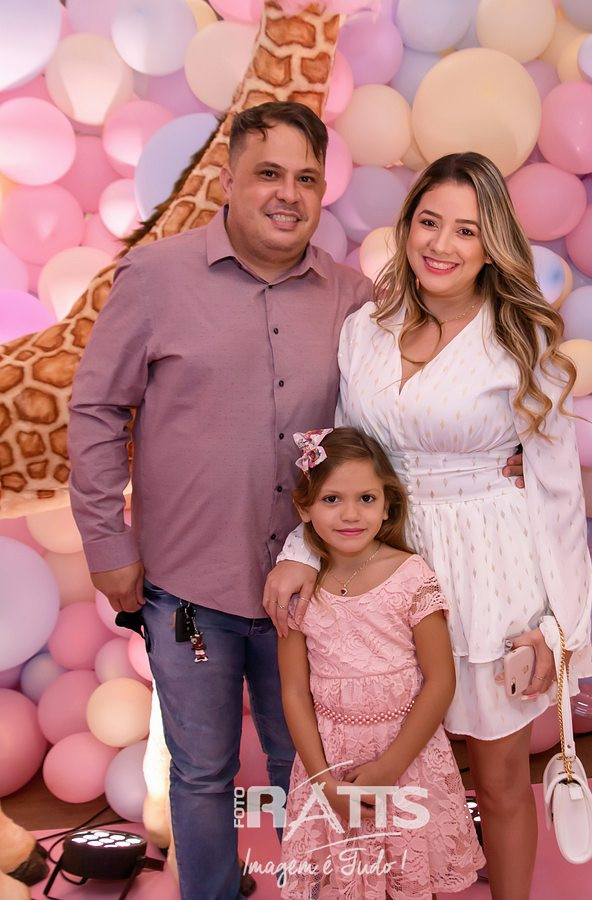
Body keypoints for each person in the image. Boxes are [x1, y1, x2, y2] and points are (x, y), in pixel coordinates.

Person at [265, 152, 592, 900]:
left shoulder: (521, 341)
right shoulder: (365, 330)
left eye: (466, 230)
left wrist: (558, 629)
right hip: (383, 567)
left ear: (492, 245)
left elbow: (559, 495)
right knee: (404, 768)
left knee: (499, 776)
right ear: (406, 226)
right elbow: (341, 458)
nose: (441, 245)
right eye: (428, 222)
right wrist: (301, 549)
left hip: (492, 571)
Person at [67, 101, 373, 900]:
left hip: (307, 591)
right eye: (268, 173)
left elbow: (388, 422)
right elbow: (97, 409)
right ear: (227, 179)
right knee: (201, 770)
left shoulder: (352, 298)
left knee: (303, 764)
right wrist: (106, 543)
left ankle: (313, 888)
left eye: (306, 178)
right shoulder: (154, 277)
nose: (288, 194)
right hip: (186, 592)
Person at [278, 426, 485, 899]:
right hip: (330, 762)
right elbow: (293, 691)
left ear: (388, 505)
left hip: (407, 759)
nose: (350, 514)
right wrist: (323, 783)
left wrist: (390, 767)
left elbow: (440, 680)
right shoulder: (299, 588)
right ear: (304, 508)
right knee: (345, 881)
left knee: (409, 879)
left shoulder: (410, 576)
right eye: (331, 499)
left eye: (366, 499)